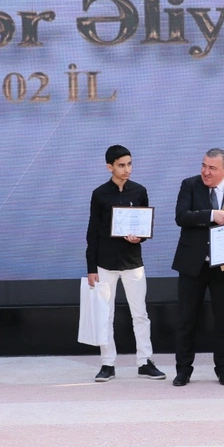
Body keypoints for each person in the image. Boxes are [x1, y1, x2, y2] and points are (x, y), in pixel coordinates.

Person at [171, 148, 224, 386]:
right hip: (192, 264)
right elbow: (181, 216)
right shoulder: (189, 185)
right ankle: (183, 370)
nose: (206, 172)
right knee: (186, 319)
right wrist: (211, 215)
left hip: (223, 266)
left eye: (212, 168)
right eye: (204, 165)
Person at [85, 145, 166, 382]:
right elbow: (92, 231)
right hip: (105, 263)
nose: (127, 169)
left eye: (129, 164)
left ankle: (144, 362)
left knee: (140, 313)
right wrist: (91, 268)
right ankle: (107, 363)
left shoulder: (139, 191)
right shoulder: (99, 194)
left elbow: (145, 225)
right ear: (109, 167)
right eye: (121, 165)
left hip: (133, 262)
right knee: (105, 315)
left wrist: (140, 237)